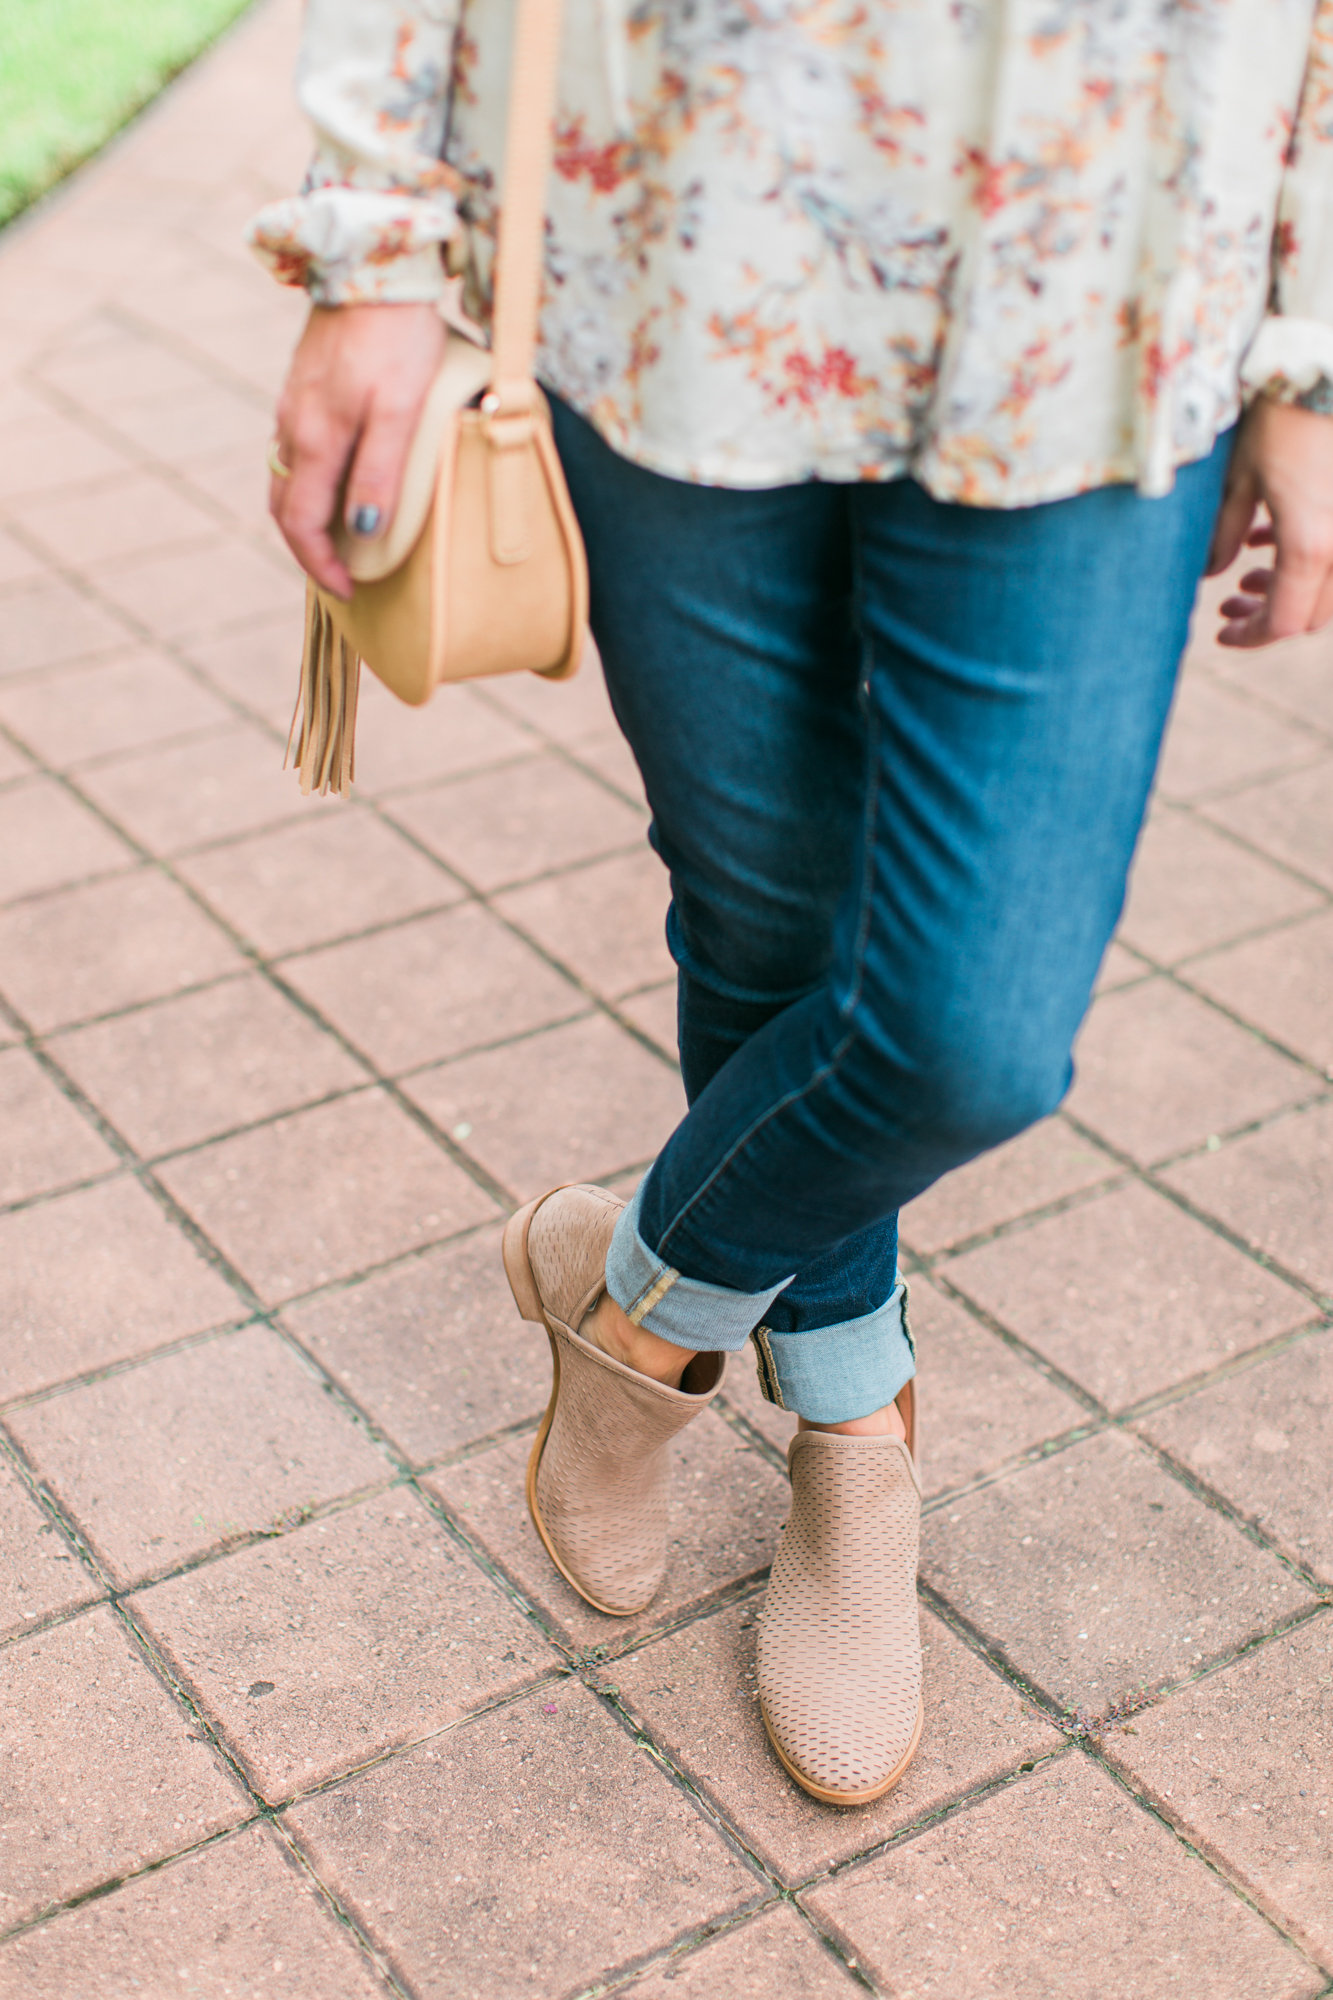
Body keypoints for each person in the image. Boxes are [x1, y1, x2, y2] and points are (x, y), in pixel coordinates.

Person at [251, 0, 1333, 1805]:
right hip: (675, 213)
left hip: (1093, 272)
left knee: (967, 1037)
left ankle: (632, 1315)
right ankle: (851, 1428)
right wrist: (369, 244)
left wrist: (1311, 357)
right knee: (759, 918)